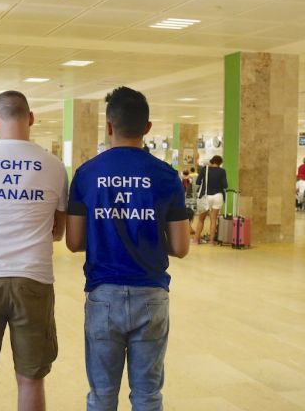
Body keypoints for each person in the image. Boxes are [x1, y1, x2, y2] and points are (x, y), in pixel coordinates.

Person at [65, 86, 190, 411]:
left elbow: (74, 242)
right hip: (151, 295)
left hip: (103, 295)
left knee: (102, 396)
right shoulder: (166, 176)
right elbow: (181, 246)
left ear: (108, 126)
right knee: (148, 395)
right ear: (148, 128)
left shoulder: (87, 174)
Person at [0, 90, 68, 411]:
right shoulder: (54, 165)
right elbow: (58, 231)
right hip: (33, 278)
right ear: (31, 118)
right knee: (31, 378)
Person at [194, 155, 228, 244]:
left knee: (201, 219)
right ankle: (212, 241)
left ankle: (196, 239)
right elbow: (225, 185)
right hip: (218, 196)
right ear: (220, 163)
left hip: (206, 196)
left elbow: (197, 182)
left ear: (212, 161)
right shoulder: (222, 171)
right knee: (213, 219)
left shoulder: (205, 169)